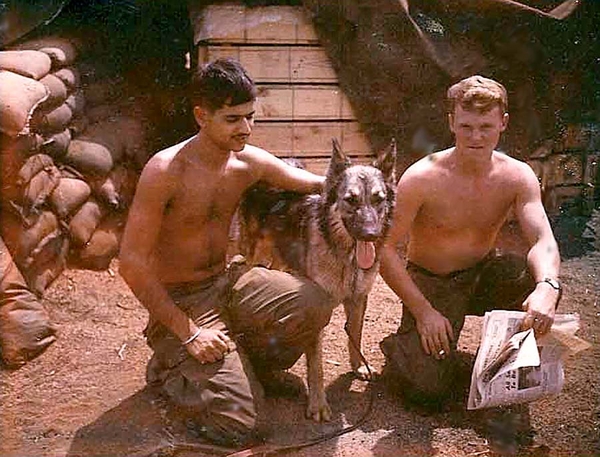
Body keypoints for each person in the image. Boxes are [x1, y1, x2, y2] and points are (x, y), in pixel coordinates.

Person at [119, 58, 332, 447]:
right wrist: (188, 333)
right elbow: (131, 263)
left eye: (251, 117)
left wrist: (369, 183)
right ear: (202, 115)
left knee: (314, 302)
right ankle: (171, 368)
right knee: (245, 426)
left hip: (226, 283)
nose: (246, 128)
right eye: (233, 119)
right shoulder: (166, 170)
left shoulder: (247, 160)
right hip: (182, 304)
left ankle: (247, 370)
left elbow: (316, 183)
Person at [378, 75, 562, 406]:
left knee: (530, 279)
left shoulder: (517, 175)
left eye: (485, 126)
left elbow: (542, 239)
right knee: (426, 393)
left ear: (503, 123)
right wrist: (423, 311)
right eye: (466, 126)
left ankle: (502, 361)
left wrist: (548, 287)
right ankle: (404, 349)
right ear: (451, 122)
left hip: (482, 273)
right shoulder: (421, 177)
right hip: (433, 282)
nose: (475, 137)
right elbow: (385, 249)